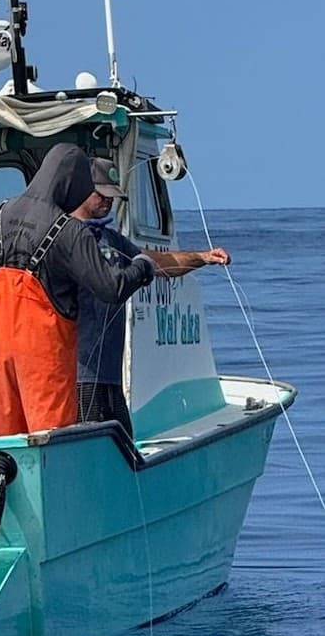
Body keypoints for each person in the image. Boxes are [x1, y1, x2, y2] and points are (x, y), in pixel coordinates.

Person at [0, 143, 156, 437]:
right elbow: (111, 288)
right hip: (43, 350)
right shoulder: (70, 231)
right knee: (51, 437)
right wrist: (142, 268)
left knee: (3, 433)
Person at [75, 157, 231, 435]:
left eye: (112, 196)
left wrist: (202, 257)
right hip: (78, 373)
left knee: (122, 441)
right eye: (102, 194)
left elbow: (160, 263)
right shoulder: (67, 238)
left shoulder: (111, 239)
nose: (108, 201)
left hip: (109, 372)